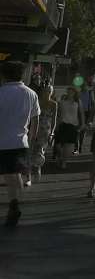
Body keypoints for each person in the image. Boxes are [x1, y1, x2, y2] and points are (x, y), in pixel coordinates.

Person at [0, 61, 39, 228]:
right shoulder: (31, 93)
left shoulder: (1, 93)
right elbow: (35, 119)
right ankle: (15, 203)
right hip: (20, 141)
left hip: (2, 140)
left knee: (8, 175)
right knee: (14, 174)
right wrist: (31, 138)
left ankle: (13, 204)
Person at [27, 82, 57, 185]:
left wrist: (52, 133)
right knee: (31, 151)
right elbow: (31, 116)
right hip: (35, 128)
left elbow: (54, 120)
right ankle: (28, 176)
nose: (47, 93)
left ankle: (37, 168)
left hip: (45, 131)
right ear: (43, 92)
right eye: (46, 91)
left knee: (39, 151)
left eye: (50, 91)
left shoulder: (54, 104)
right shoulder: (37, 101)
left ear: (52, 92)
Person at [54, 87, 83, 169]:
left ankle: (64, 162)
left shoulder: (78, 102)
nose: (70, 92)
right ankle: (60, 156)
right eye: (68, 91)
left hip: (73, 125)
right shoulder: (62, 101)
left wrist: (83, 124)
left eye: (71, 91)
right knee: (58, 146)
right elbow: (58, 113)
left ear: (74, 93)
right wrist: (56, 125)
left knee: (68, 146)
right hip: (62, 124)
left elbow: (81, 113)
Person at [77, 78, 95, 153]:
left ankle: (80, 145)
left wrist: (91, 116)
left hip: (86, 112)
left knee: (83, 131)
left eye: (85, 86)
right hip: (79, 113)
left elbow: (93, 103)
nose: (84, 87)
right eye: (83, 86)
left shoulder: (90, 93)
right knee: (78, 129)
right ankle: (77, 145)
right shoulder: (79, 93)